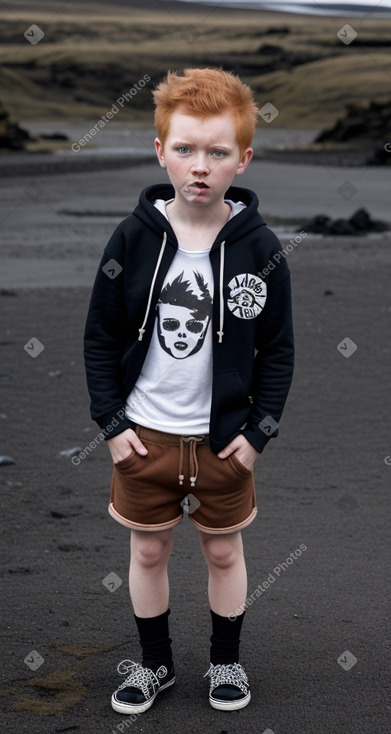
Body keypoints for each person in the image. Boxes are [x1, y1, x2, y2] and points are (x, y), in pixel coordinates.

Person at [84, 67, 294, 715]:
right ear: (159, 152)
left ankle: (225, 661)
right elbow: (98, 337)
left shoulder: (260, 247)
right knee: (147, 549)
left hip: (223, 443)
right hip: (142, 439)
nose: (198, 167)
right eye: (184, 149)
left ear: (243, 159)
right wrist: (113, 425)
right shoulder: (133, 238)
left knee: (223, 549)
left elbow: (278, 350)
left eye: (216, 152)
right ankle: (154, 666)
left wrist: (257, 432)